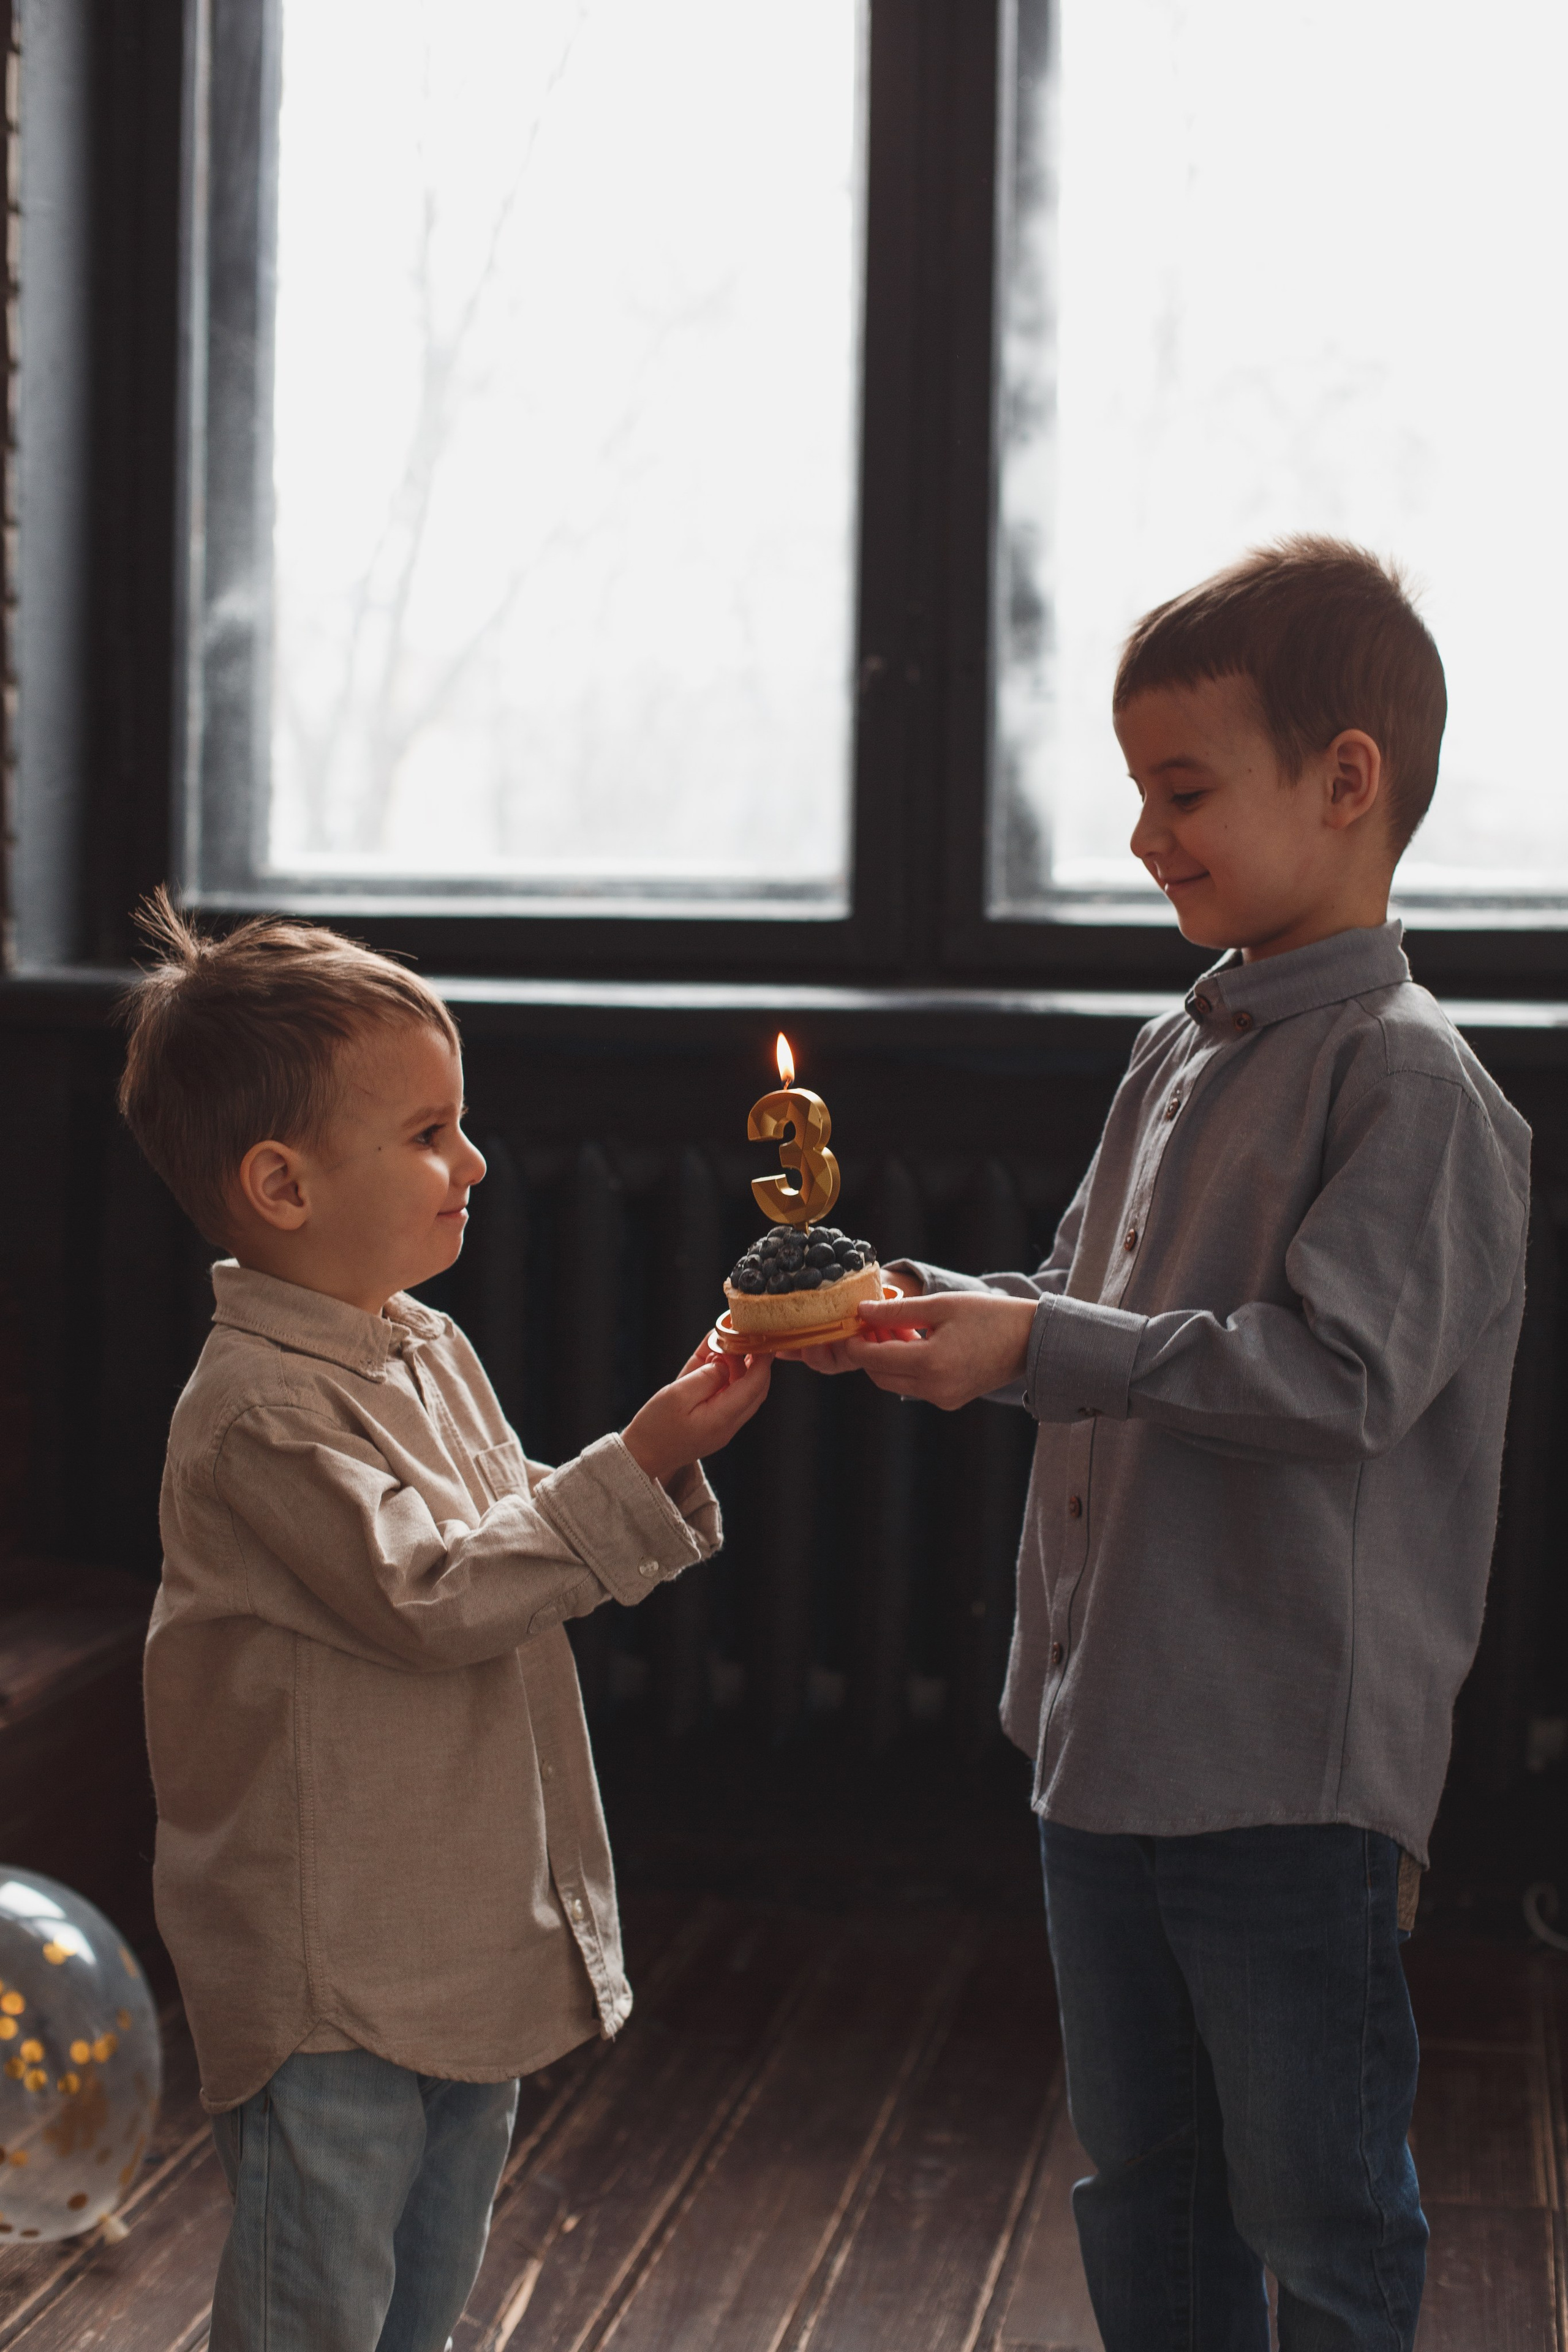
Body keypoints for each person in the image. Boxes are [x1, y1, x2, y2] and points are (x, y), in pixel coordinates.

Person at [797, 539, 1530, 2349]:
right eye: (1138, 794)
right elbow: (1082, 1297)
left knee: (1318, 2204)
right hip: (1097, 1749)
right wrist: (954, 1309)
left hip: (1282, 1773)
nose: (1145, 838)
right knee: (1145, 2186)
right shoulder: (1175, 1045)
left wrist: (1046, 1340)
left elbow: (1338, 1379)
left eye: (1184, 791)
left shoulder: (1414, 1081)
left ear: (1345, 781)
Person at [118, 893, 771, 2352]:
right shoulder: (259, 1412)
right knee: (317, 2296)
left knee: (428, 2276)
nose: (471, 1161)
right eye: (427, 1135)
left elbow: (495, 1514)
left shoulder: (418, 1339)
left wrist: (653, 1452)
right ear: (281, 1187)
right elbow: (431, 1593)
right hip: (332, 1962)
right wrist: (639, 1462)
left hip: (450, 1931)